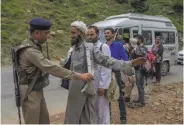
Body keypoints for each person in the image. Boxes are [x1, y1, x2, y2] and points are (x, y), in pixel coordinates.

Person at [64, 21, 147, 124]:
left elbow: (108, 61)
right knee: (72, 116)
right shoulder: (73, 49)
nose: (71, 36)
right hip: (74, 89)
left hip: (87, 88)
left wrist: (130, 63)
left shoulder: (91, 48)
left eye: (74, 33)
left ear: (81, 33)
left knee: (91, 114)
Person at [17, 17, 93, 124]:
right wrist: (79, 76)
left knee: (44, 121)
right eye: (46, 33)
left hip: (36, 89)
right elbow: (52, 68)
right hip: (30, 92)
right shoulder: (30, 50)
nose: (48, 36)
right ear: (37, 33)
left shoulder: (34, 46)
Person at [87, 26, 111, 124]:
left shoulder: (103, 47)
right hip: (90, 82)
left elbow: (107, 67)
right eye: (88, 34)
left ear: (97, 35)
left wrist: (103, 86)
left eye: (92, 34)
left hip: (100, 82)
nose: (89, 36)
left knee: (101, 109)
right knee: (92, 108)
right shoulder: (87, 46)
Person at [104, 27, 129, 124]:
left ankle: (123, 118)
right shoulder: (103, 45)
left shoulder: (118, 45)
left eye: (108, 33)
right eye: (105, 33)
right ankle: (108, 116)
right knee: (107, 96)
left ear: (113, 34)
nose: (106, 34)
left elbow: (125, 59)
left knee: (120, 96)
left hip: (116, 73)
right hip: (106, 74)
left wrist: (128, 73)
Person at [131, 35, 148, 107]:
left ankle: (142, 102)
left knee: (139, 85)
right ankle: (140, 99)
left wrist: (135, 50)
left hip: (140, 68)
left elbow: (144, 55)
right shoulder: (137, 47)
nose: (135, 40)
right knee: (139, 84)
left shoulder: (142, 47)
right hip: (138, 67)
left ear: (140, 40)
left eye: (136, 39)